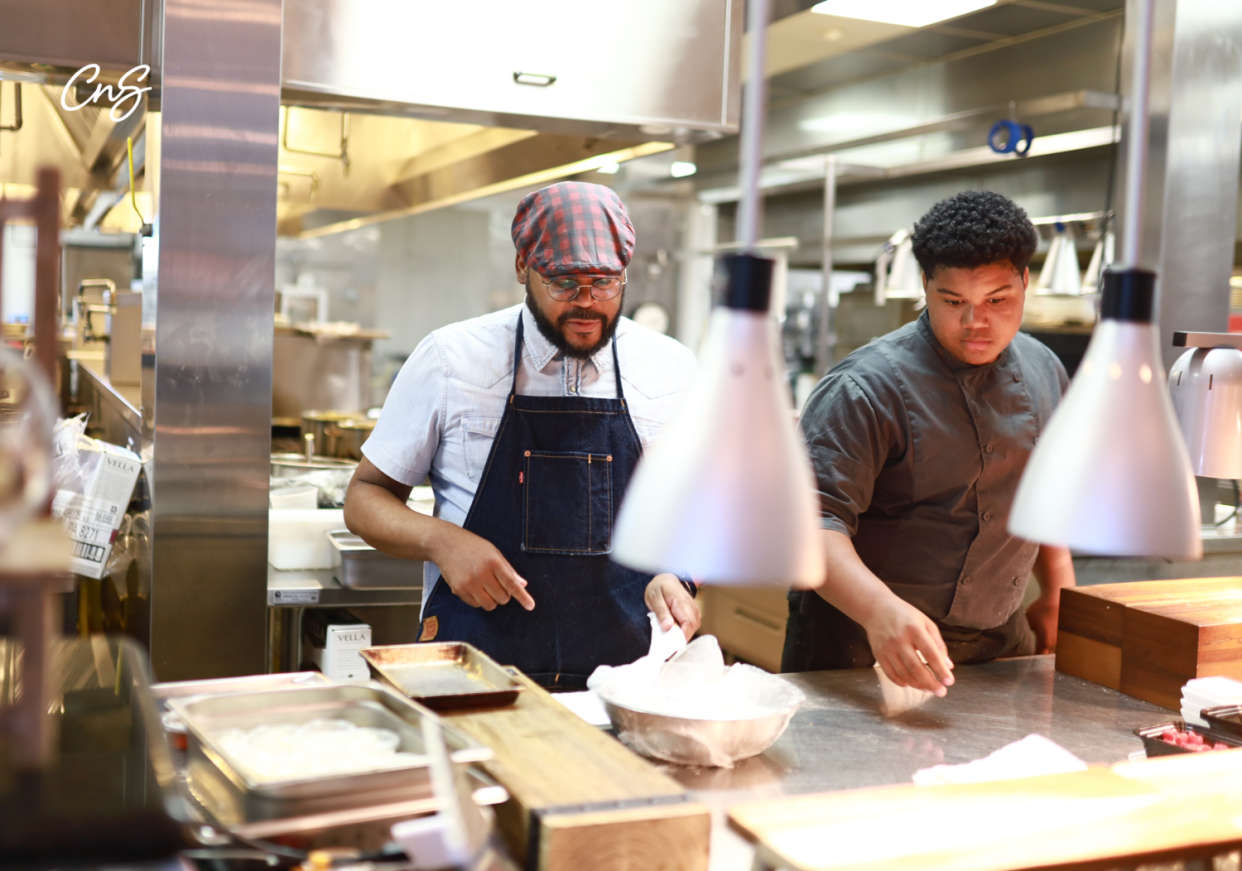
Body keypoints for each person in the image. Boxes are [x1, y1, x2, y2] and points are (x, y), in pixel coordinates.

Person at [345, 181, 701, 689]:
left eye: (605, 282)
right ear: (522, 267)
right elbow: (365, 497)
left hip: (629, 683)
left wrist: (678, 574)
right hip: (472, 671)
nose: (587, 304)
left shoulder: (671, 369)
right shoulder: (451, 359)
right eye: (563, 283)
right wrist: (443, 542)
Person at [782, 190, 1077, 696]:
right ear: (925, 285)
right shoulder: (864, 388)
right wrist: (880, 612)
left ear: (1026, 282)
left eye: (997, 300)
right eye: (953, 301)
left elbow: (1048, 486)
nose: (975, 322)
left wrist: (1059, 589)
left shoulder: (1045, 369)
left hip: (1000, 647)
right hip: (862, 644)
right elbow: (811, 524)